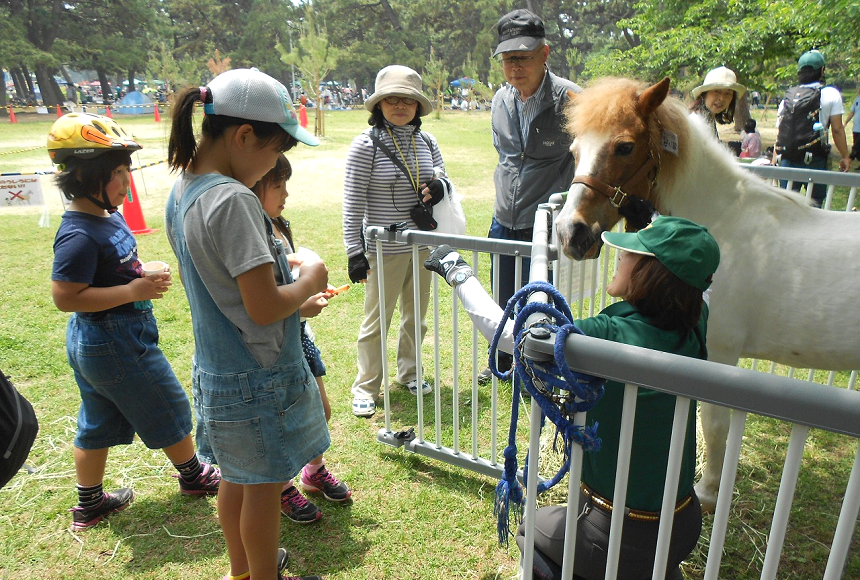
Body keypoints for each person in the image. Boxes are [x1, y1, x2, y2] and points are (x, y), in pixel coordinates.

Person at [424, 215, 720, 580]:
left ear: (651, 273)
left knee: (531, 528)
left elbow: (511, 335)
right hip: (683, 524)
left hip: (615, 535)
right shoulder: (695, 323)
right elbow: (700, 286)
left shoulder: (609, 334)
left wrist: (458, 272)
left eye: (631, 254)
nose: (620, 258)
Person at [164, 68, 326, 580]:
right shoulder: (233, 199)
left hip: (219, 369)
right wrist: (311, 278)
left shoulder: (185, 188)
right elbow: (261, 306)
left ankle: (241, 571)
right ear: (243, 136)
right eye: (276, 150)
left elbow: (229, 292)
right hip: (258, 376)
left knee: (237, 478)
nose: (276, 165)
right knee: (263, 488)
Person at [48, 113, 221, 532]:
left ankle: (89, 503)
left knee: (98, 418)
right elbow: (65, 296)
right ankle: (194, 476)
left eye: (128, 171)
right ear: (87, 177)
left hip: (101, 341)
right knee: (168, 402)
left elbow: (112, 267)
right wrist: (132, 292)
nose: (128, 182)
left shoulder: (106, 216)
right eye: (119, 173)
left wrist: (138, 272)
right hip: (113, 339)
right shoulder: (79, 234)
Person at [342, 64, 452, 418]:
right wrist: (354, 252)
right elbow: (352, 204)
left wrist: (438, 187)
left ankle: (410, 371)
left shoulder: (428, 141)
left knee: (416, 317)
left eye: (408, 100)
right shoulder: (365, 145)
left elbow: (443, 177)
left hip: (421, 244)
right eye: (392, 99)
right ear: (379, 104)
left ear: (418, 105)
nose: (400, 105)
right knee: (377, 321)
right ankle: (365, 386)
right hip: (382, 247)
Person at [250, 155, 352, 524]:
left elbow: (287, 276)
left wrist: (305, 294)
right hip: (273, 342)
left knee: (318, 409)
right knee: (281, 420)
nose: (286, 193)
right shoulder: (250, 231)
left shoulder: (278, 223)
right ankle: (281, 487)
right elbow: (261, 300)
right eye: (278, 186)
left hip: (299, 336)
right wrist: (300, 303)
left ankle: (314, 471)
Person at [487, 8, 581, 381]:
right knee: (503, 299)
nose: (514, 67)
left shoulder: (571, 100)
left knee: (541, 300)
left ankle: (538, 363)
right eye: (508, 59)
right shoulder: (500, 101)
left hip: (544, 224)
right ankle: (506, 360)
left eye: (523, 57)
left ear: (544, 54)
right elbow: (505, 157)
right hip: (503, 219)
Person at [773, 50, 850, 207]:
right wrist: (845, 156)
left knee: (787, 204)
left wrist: (776, 156)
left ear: (799, 71)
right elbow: (837, 129)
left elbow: (781, 131)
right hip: (814, 158)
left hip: (787, 157)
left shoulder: (788, 97)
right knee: (815, 205)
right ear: (822, 70)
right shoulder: (830, 94)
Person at [689, 66, 746, 139]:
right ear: (704, 94)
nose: (722, 98)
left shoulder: (709, 120)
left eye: (728, 93)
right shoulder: (696, 123)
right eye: (717, 91)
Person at [843, 85, 860, 166]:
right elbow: (852, 112)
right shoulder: (857, 99)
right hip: (856, 128)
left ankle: (848, 161)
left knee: (856, 147)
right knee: (857, 145)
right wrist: (845, 122)